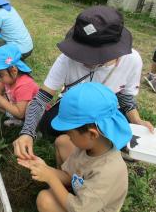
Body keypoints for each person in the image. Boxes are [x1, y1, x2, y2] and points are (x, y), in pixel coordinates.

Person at [13, 5, 154, 162]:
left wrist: (137, 121)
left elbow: (126, 98)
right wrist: (27, 132)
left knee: (122, 132)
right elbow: (41, 99)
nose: (82, 58)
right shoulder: (66, 59)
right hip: (74, 106)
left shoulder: (132, 60)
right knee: (49, 124)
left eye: (90, 55)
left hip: (106, 111)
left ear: (112, 50)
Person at [18, 82, 132, 212]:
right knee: (63, 142)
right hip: (83, 193)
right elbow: (70, 175)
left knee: (45, 200)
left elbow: (79, 209)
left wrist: (51, 178)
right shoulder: (89, 147)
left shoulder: (108, 172)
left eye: (70, 132)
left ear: (91, 134)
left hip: (85, 208)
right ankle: (66, 192)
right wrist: (45, 169)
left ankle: (63, 193)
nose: (68, 135)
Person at [0, 44, 39, 126]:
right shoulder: (9, 79)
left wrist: (1, 100)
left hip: (35, 115)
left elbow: (20, 113)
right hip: (19, 106)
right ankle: (18, 120)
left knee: (0, 101)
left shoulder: (24, 85)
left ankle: (32, 129)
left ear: (14, 71)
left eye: (1, 75)